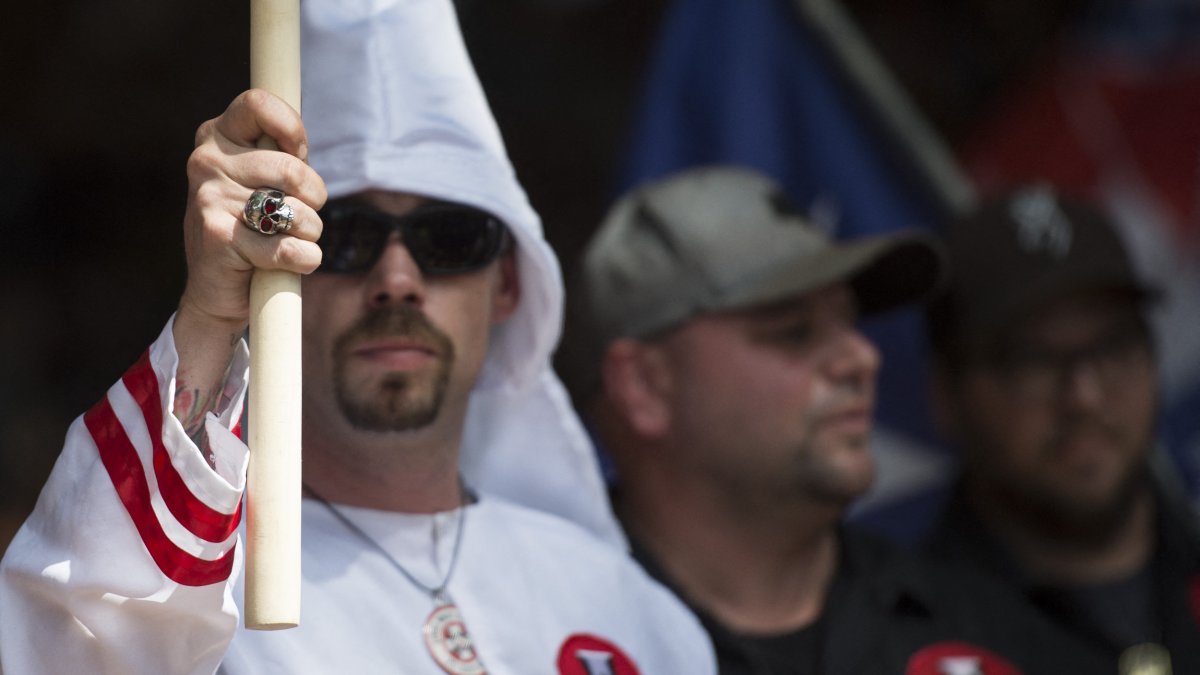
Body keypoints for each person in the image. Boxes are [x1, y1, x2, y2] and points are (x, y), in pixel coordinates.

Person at [0, 1, 717, 673]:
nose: (398, 277)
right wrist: (211, 315)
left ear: (507, 284)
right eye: (344, 236)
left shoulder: (643, 621)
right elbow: (71, 647)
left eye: (450, 238)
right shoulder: (187, 602)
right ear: (273, 269)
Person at [569, 164, 1095, 675]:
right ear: (644, 385)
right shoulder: (528, 637)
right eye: (794, 331)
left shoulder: (995, 635)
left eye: (849, 321)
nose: (863, 358)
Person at [922, 184, 1200, 673]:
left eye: (1112, 347)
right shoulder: (904, 643)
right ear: (948, 395)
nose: (1084, 397)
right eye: (1033, 362)